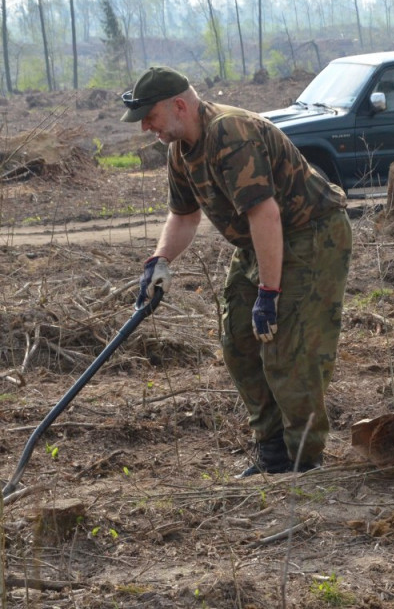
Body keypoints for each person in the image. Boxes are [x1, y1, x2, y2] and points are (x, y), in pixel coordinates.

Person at [121, 66, 352, 477]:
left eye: (149, 117)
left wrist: (269, 292)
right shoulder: (180, 150)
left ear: (178, 106)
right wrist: (159, 261)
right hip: (260, 241)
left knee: (288, 347)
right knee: (240, 343)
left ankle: (303, 462)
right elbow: (184, 217)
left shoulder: (230, 133)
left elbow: (265, 213)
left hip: (311, 233)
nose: (145, 128)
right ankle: (273, 454)